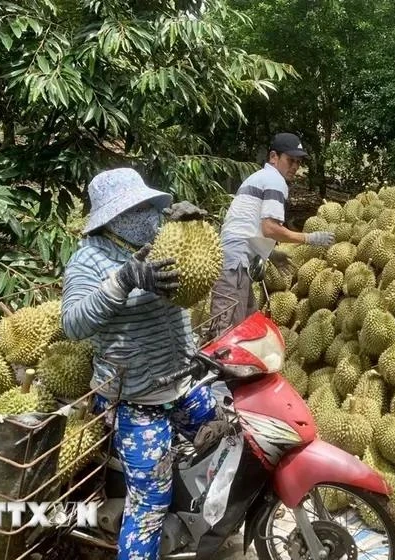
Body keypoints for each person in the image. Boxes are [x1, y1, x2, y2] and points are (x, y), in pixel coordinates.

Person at [60, 168, 228, 560]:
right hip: (133, 400)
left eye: (152, 206)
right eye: (139, 209)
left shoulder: (162, 241)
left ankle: (191, 519)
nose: (151, 215)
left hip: (183, 383)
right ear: (113, 218)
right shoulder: (89, 260)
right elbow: (72, 324)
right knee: (151, 499)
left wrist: (196, 227)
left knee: (223, 439)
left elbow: (196, 277)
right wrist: (122, 281)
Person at [209, 132, 335, 334]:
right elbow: (270, 228)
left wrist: (269, 253)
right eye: (290, 160)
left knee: (246, 325)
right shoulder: (275, 181)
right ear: (274, 157)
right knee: (227, 332)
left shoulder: (259, 177)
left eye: (298, 162)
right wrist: (308, 238)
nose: (295, 167)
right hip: (236, 263)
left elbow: (247, 226)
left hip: (235, 258)